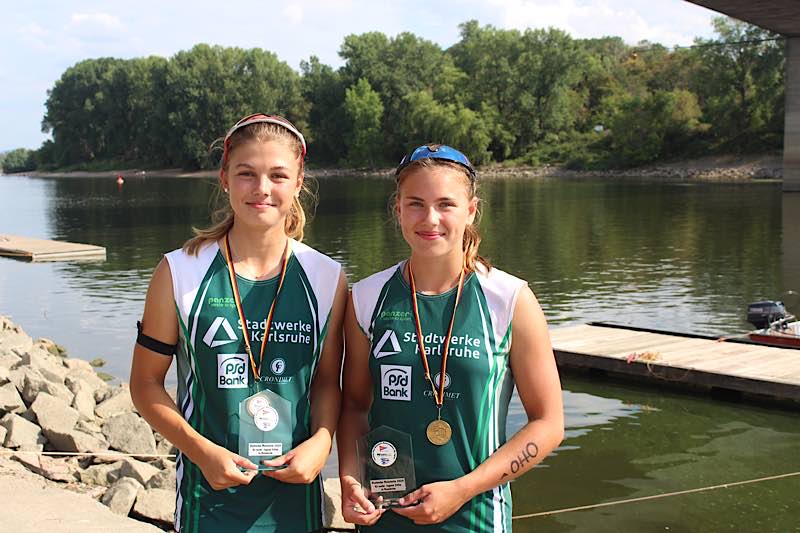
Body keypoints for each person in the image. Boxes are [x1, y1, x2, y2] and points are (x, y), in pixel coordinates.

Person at [130, 113, 347, 532]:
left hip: (295, 500)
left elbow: (325, 383)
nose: (262, 189)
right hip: (207, 497)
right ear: (225, 178)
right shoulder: (179, 272)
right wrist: (200, 452)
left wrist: (322, 442)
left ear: (299, 181)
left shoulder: (327, 277)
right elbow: (144, 385)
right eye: (246, 173)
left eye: (277, 175)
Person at [337, 144, 564, 532]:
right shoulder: (366, 297)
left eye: (446, 204)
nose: (430, 219)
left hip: (476, 516)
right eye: (415, 204)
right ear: (398, 210)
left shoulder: (509, 300)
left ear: (471, 209)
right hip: (385, 517)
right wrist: (349, 479)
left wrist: (462, 489)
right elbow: (356, 406)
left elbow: (548, 423)